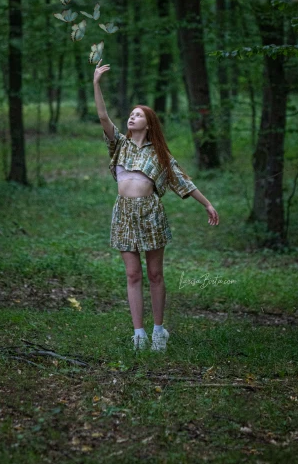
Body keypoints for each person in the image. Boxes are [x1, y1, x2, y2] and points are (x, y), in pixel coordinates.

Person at [93, 59, 219, 353]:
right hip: (123, 212)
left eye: (137, 115)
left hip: (150, 213)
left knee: (154, 274)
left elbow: (183, 182)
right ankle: (139, 334)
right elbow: (102, 117)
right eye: (130, 114)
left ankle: (159, 331)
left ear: (148, 124)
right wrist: (96, 83)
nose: (131, 117)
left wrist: (207, 204)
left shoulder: (160, 154)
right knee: (133, 275)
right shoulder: (119, 144)